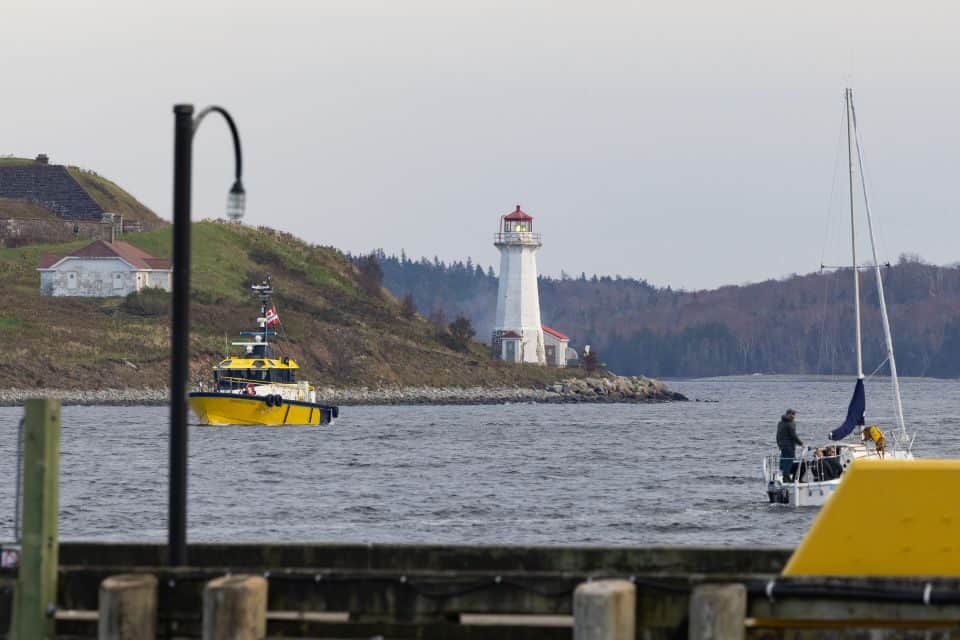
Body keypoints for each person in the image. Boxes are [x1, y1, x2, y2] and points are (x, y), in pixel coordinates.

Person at [776, 409, 803, 480]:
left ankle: (784, 475)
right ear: (790, 414)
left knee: (784, 460)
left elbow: (778, 435)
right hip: (789, 446)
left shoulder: (780, 423)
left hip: (782, 445)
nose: (794, 416)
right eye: (793, 414)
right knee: (789, 460)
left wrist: (779, 444)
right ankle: (786, 478)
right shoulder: (791, 423)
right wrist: (801, 443)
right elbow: (793, 436)